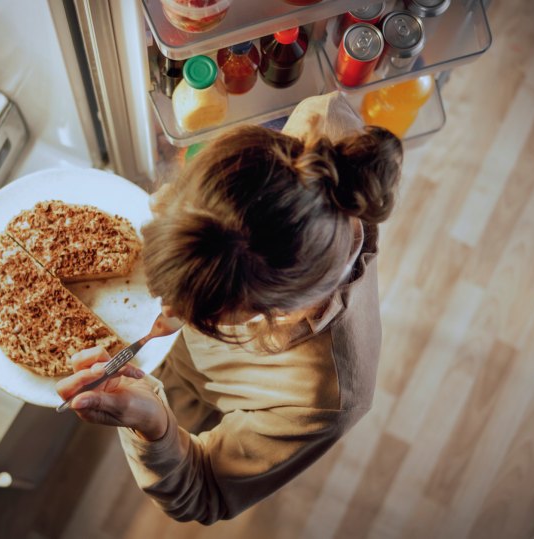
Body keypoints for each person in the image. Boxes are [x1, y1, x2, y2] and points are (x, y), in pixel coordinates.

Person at [55, 92, 403, 524]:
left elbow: (205, 493)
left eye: (202, 314)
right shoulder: (319, 122)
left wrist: (156, 427)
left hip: (194, 399)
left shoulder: (322, 400)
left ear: (272, 313)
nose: (161, 306)